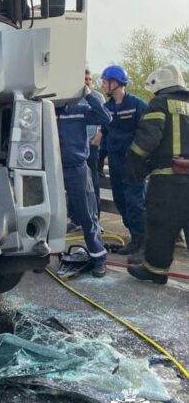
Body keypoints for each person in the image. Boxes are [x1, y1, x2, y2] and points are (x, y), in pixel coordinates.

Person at [126, 65, 189, 285]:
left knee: (161, 226)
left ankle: (156, 270)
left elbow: (146, 141)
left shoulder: (160, 104)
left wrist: (133, 165)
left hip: (167, 180)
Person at [55, 82, 112, 276]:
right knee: (49, 214)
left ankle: (98, 258)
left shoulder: (79, 109)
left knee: (87, 214)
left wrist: (88, 94)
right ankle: (42, 254)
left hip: (75, 168)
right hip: (48, 169)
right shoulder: (45, 108)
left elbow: (106, 117)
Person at [98, 65, 148, 259]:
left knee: (136, 202)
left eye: (104, 82)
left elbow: (146, 134)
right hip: (116, 162)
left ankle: (142, 242)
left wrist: (140, 159)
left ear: (115, 83)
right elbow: (105, 133)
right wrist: (100, 158)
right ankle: (134, 238)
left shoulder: (137, 105)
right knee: (121, 200)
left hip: (134, 164)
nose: (102, 85)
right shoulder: (107, 108)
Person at [85, 68, 105, 210]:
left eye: (89, 79)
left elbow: (106, 120)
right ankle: (76, 217)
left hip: (92, 144)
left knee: (93, 180)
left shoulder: (98, 97)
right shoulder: (73, 98)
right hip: (76, 146)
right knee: (77, 183)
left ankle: (96, 216)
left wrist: (98, 138)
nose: (87, 82)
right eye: (85, 79)